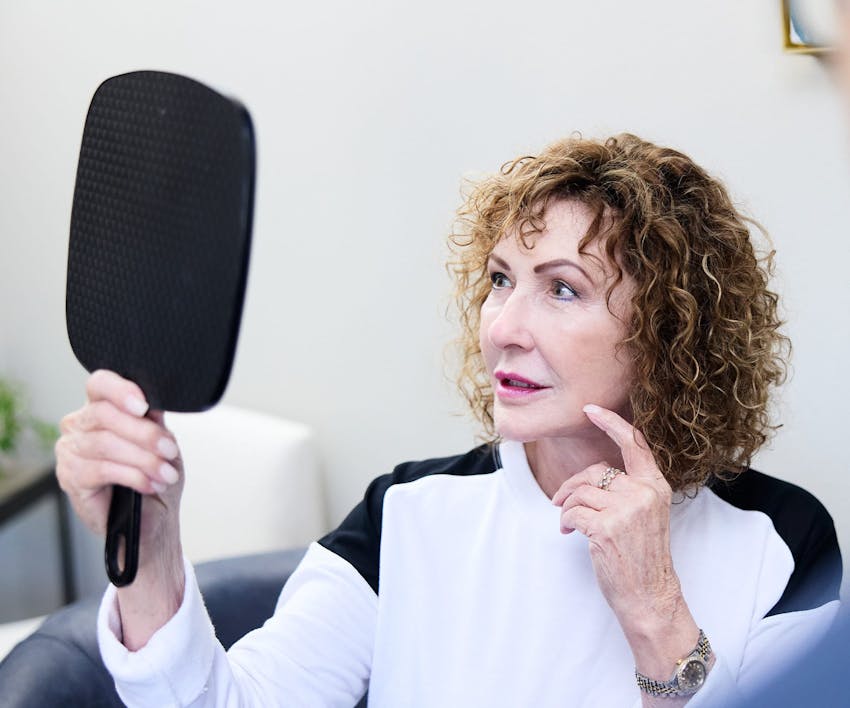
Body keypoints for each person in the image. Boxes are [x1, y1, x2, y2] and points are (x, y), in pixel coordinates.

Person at [55, 133, 841, 707]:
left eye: (561, 289)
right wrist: (151, 552)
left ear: (668, 331)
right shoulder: (404, 517)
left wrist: (657, 612)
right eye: (501, 280)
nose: (503, 325)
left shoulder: (781, 540)